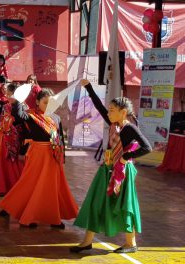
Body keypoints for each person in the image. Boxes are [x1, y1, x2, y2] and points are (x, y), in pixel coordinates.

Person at [70, 79, 152, 254]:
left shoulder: (129, 129)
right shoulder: (114, 125)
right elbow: (99, 107)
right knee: (96, 201)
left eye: (112, 110)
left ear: (123, 113)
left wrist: (126, 157)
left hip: (122, 173)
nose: (108, 113)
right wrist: (89, 88)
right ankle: (87, 241)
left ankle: (131, 243)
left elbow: (147, 147)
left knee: (125, 205)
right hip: (106, 169)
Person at [0, 88, 79, 228]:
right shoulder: (31, 116)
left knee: (52, 186)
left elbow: (60, 138)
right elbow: (17, 115)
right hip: (38, 154)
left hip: (54, 156)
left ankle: (54, 218)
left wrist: (63, 158)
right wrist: (18, 98)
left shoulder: (56, 118)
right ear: (37, 102)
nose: (48, 105)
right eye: (45, 102)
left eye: (51, 102)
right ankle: (28, 215)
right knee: (31, 183)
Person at [0, 83, 25, 197]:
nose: (7, 96)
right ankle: (8, 194)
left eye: (9, 94)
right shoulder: (6, 106)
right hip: (6, 141)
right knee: (7, 168)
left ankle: (17, 195)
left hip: (17, 143)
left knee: (17, 169)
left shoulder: (23, 107)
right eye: (7, 94)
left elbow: (20, 122)